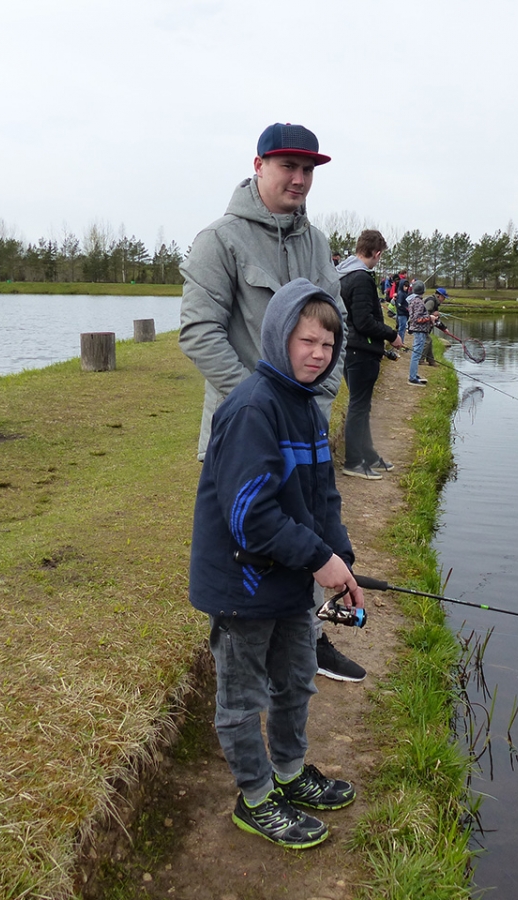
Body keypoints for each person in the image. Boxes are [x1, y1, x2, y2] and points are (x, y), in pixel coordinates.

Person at [179, 121, 366, 683]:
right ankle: (240, 673)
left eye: (308, 169)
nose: (300, 179)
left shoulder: (317, 244)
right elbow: (199, 332)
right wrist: (261, 410)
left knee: (306, 537)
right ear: (258, 166)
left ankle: (308, 642)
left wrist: (312, 405)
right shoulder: (219, 240)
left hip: (305, 436)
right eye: (288, 166)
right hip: (244, 436)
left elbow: (336, 327)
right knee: (248, 546)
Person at [188, 279, 364, 849]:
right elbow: (251, 516)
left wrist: (340, 560)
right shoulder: (252, 409)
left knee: (295, 681)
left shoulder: (308, 408)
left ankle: (288, 774)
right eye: (307, 341)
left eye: (328, 345)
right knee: (242, 699)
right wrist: (317, 559)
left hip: (288, 581)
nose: (318, 354)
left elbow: (323, 499)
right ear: (279, 337)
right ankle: (256, 797)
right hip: (241, 586)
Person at [338, 230, 402, 480]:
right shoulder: (361, 278)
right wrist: (392, 335)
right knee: (358, 406)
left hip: (351, 349)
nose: (379, 259)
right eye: (380, 255)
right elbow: (364, 321)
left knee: (362, 405)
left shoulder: (344, 274)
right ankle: (353, 462)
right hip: (360, 352)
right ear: (376, 253)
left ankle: (369, 455)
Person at [406, 281, 436, 385]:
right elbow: (417, 318)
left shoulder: (413, 300)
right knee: (416, 354)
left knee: (417, 353)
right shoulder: (418, 302)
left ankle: (413, 374)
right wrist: (430, 317)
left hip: (419, 330)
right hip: (420, 330)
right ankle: (412, 378)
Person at [393, 270, 410, 345]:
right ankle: (400, 343)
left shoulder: (405, 293)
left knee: (402, 329)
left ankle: (401, 342)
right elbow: (399, 305)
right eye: (405, 286)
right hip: (402, 314)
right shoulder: (401, 294)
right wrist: (406, 309)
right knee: (401, 329)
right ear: (401, 285)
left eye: (407, 286)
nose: (406, 287)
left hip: (405, 314)